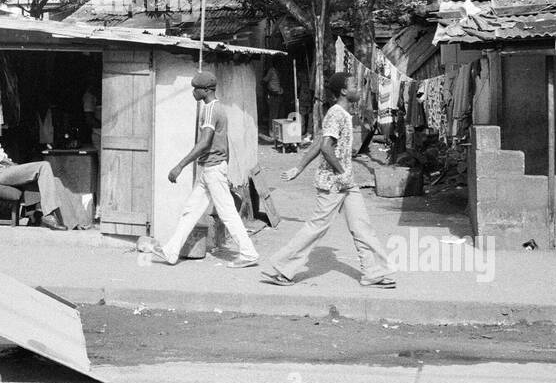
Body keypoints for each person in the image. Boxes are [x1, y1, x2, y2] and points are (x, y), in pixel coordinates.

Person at [264, 72, 396, 289]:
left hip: (346, 182)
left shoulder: (341, 113)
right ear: (344, 91)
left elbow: (318, 142)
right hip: (334, 182)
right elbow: (325, 147)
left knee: (361, 226)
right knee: (317, 226)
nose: (358, 88)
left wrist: (299, 167)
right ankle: (283, 268)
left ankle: (373, 273)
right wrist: (340, 170)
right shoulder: (337, 114)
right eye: (354, 84)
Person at [150, 70, 260, 268]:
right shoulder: (217, 108)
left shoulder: (210, 109)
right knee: (190, 211)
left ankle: (249, 253)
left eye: (196, 89)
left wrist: (180, 165)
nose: (193, 92)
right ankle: (171, 251)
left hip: (212, 169)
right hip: (210, 168)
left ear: (206, 90)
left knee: (227, 213)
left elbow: (205, 141)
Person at [0, 139, 80, 230]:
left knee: (55, 180)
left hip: (7, 170)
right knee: (44, 166)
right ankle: (48, 214)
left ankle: (71, 224)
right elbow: (1, 159)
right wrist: (18, 167)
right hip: (0, 172)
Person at [263, 65, 285, 132]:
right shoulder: (271, 71)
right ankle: (271, 131)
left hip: (280, 95)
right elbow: (263, 82)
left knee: (280, 114)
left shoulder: (280, 71)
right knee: (273, 115)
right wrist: (269, 91)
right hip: (273, 95)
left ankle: (278, 131)